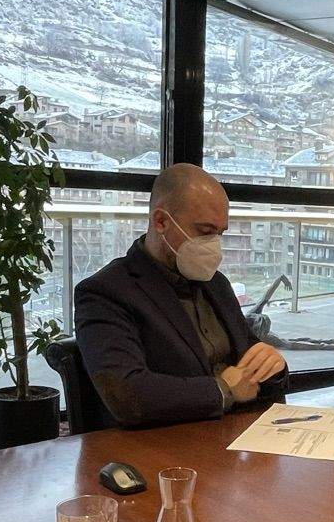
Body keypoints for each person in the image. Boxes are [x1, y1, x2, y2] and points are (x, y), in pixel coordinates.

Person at [74, 163, 289, 428]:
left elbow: (251, 361)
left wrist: (273, 368)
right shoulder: (106, 292)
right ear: (161, 222)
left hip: (235, 433)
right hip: (163, 442)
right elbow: (128, 394)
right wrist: (223, 390)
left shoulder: (216, 283)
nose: (214, 246)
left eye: (220, 233)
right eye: (205, 232)